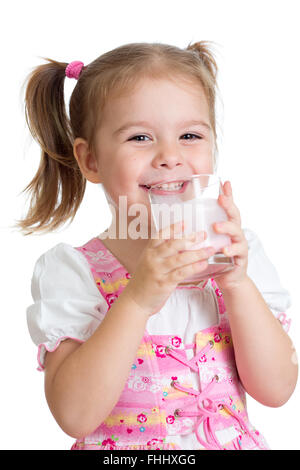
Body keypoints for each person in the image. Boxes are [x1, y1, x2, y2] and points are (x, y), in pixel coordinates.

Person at [18, 41, 297, 450]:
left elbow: (278, 390)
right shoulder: (76, 272)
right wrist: (137, 299)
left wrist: (237, 285)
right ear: (91, 160)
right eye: (140, 137)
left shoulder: (238, 253)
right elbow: (74, 416)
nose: (170, 156)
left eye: (189, 135)